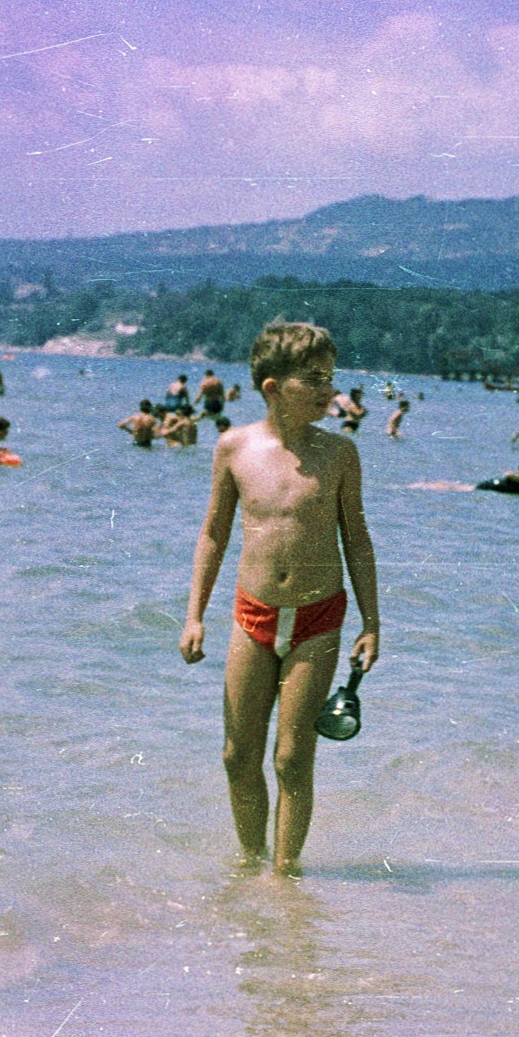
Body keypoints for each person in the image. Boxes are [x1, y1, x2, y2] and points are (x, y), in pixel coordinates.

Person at [178, 321, 380, 875]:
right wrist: (194, 615)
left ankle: (286, 877)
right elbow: (213, 533)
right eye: (313, 379)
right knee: (237, 755)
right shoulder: (234, 448)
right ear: (272, 386)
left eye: (331, 379)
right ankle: (250, 864)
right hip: (253, 615)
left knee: (293, 758)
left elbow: (356, 539)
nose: (329, 391)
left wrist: (372, 623)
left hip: (318, 617)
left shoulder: (340, 454)